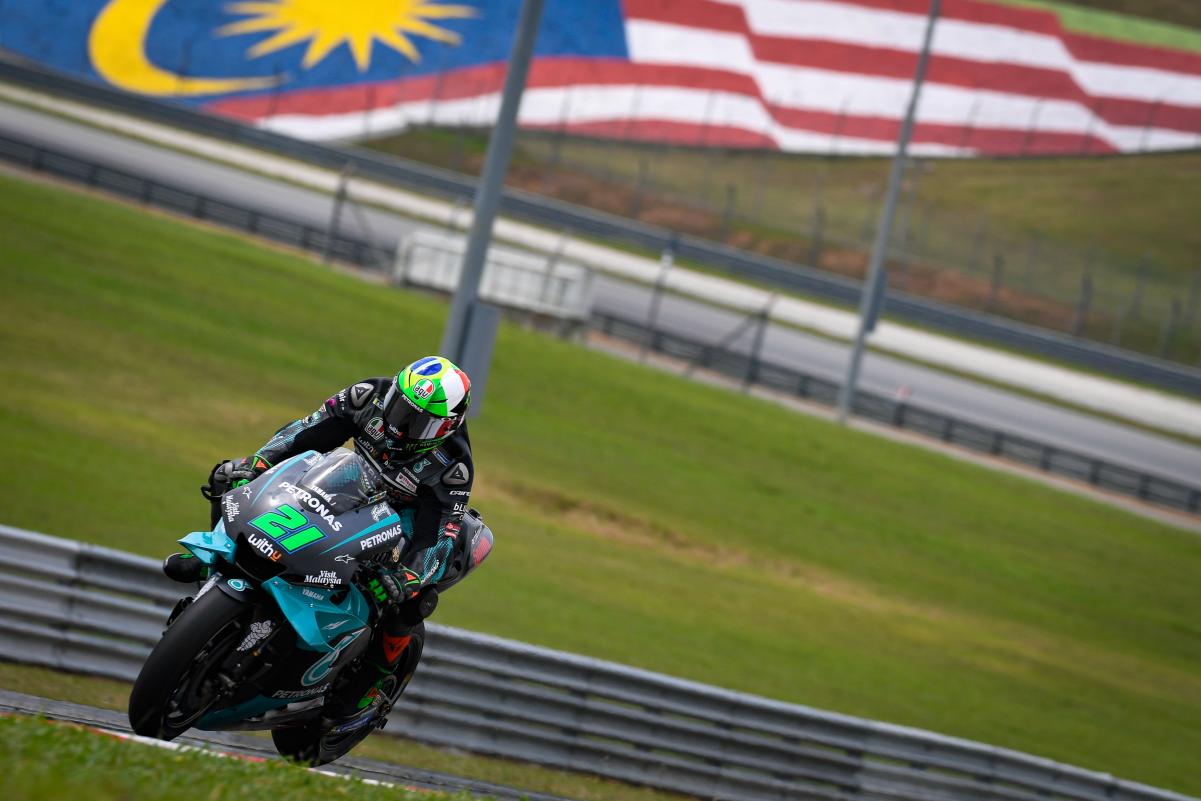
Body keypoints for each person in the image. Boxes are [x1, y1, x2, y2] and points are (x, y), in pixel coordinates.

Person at [163, 355, 475, 724]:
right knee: (230, 478)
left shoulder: (453, 466)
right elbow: (303, 433)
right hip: (354, 477)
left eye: (418, 422)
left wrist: (407, 577)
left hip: (405, 516)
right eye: (399, 408)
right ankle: (218, 559)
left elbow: (437, 536)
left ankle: (369, 686)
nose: (400, 424)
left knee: (405, 598)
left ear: (446, 427)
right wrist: (257, 464)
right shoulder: (367, 396)